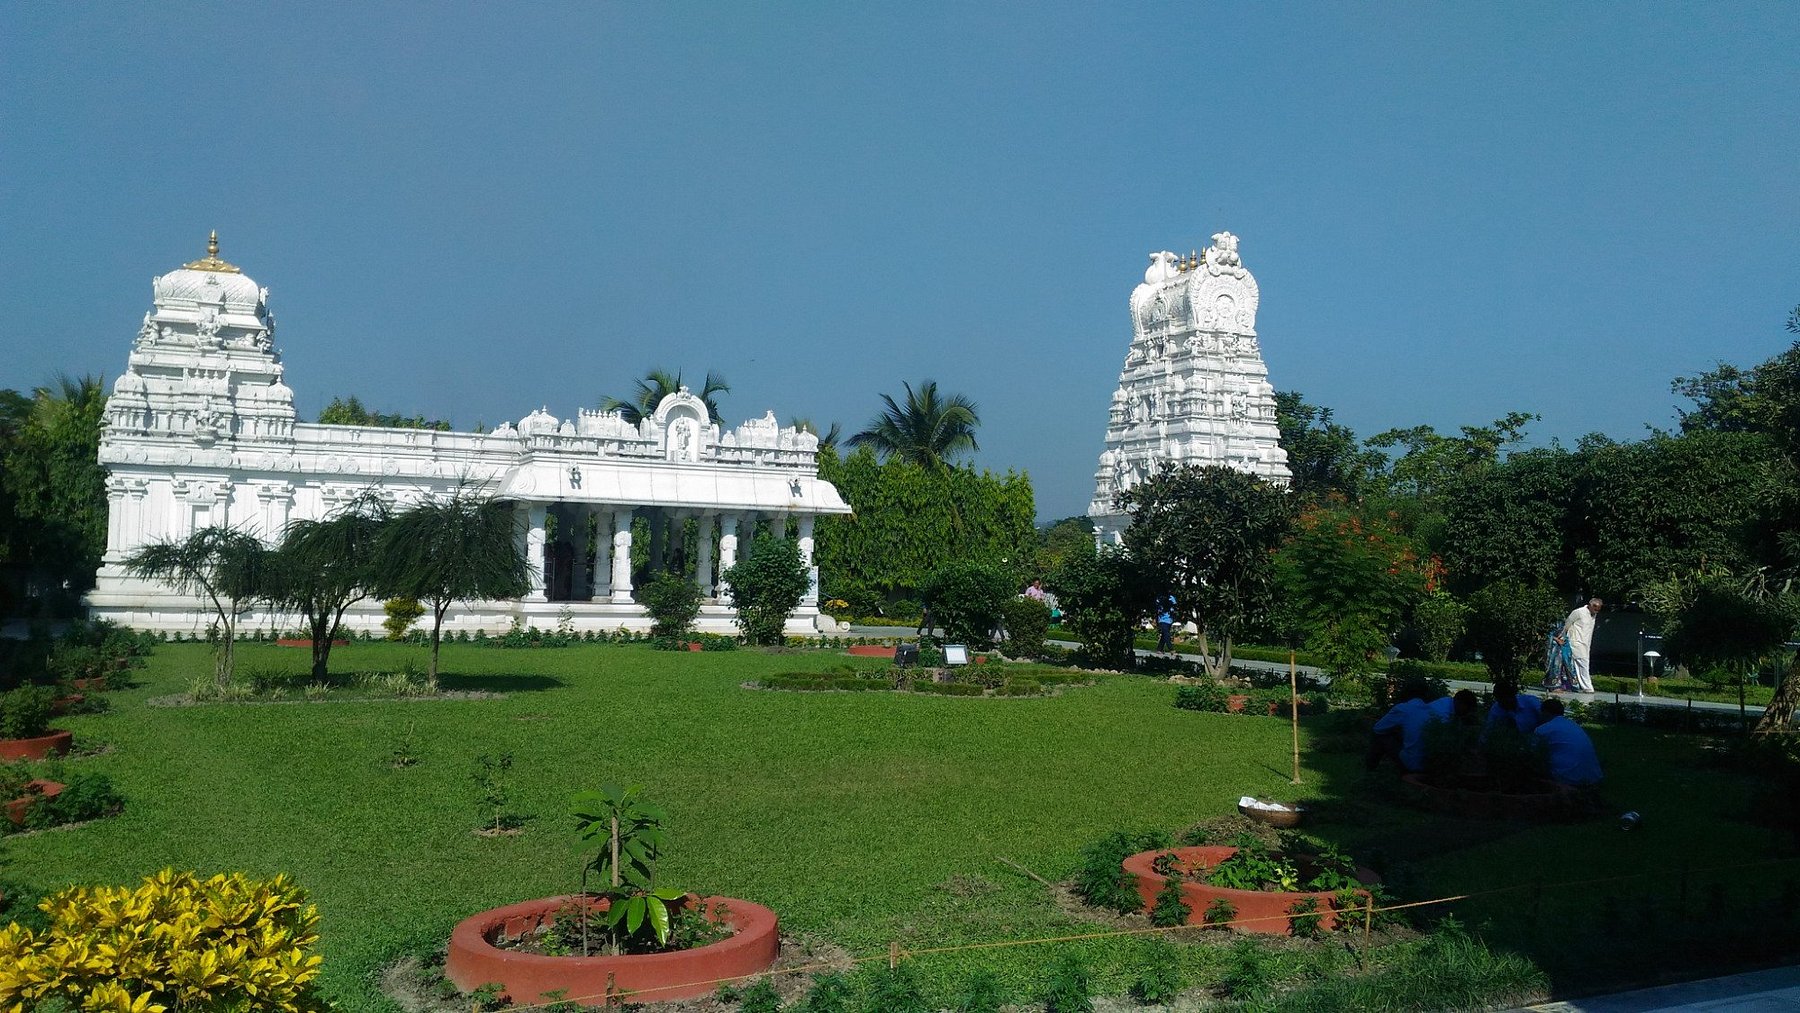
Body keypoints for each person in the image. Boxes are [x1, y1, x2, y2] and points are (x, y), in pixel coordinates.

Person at [1368, 683, 1436, 772]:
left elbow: (1378, 729)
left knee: (1381, 738)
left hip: (1412, 762)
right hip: (1429, 763)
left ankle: (1370, 769)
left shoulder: (1403, 709)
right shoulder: (1433, 710)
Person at [1534, 698, 1603, 785]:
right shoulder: (1574, 725)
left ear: (1545, 712)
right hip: (1593, 776)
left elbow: (1533, 753)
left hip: (1568, 777)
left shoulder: (1543, 729)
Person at [1563, 598, 1602, 693]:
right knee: (1583, 663)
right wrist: (1563, 636)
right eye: (1595, 609)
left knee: (1578, 664)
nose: (1596, 611)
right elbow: (1568, 623)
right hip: (1576, 641)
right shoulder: (1578, 612)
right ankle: (1588, 687)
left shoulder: (1594, 615)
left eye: (1598, 609)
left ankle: (1577, 685)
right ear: (1590, 605)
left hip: (1586, 644)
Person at [1543, 622, 1575, 692]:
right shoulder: (1551, 620)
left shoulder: (1563, 619)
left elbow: (1564, 631)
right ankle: (1553, 686)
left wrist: (1563, 640)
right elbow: (1547, 634)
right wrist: (1556, 639)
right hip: (1554, 646)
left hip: (1563, 644)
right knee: (1555, 664)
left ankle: (1565, 684)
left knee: (1566, 664)